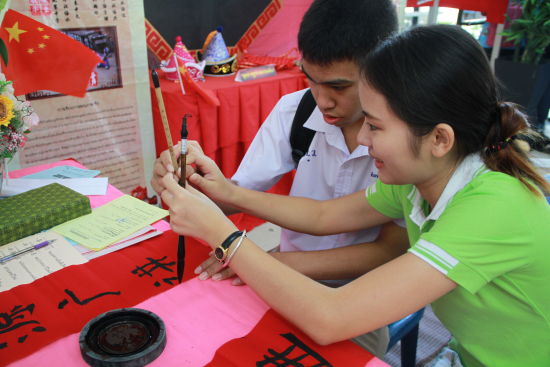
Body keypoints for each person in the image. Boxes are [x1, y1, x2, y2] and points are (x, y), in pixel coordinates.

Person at [158, 25, 550, 367]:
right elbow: (324, 216)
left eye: (375, 127)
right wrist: (226, 192)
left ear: (439, 138)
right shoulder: (420, 177)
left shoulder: (494, 206)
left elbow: (331, 317)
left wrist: (227, 238)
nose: (362, 139)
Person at [152, 0, 404, 357]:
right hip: (282, 271)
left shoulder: (404, 138)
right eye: (311, 81)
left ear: (383, 70)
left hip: (361, 292)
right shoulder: (296, 110)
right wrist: (191, 180)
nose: (322, 102)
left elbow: (389, 250)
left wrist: (261, 260)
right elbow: (271, 203)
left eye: (337, 87)